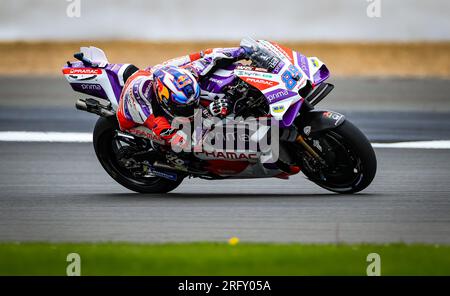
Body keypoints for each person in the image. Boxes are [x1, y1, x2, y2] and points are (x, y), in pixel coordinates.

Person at [116, 45, 249, 150]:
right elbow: (181, 143)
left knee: (202, 56)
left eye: (194, 102)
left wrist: (245, 51)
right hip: (132, 119)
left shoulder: (190, 72)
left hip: (155, 72)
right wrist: (207, 114)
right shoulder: (148, 112)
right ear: (165, 101)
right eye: (185, 107)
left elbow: (213, 56)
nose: (193, 108)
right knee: (185, 150)